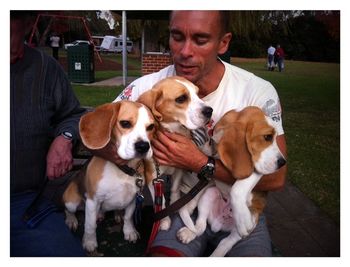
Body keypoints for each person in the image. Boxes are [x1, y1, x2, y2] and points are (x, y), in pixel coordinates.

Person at [99, 11, 287, 257]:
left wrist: (199, 163)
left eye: (200, 40)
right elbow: (95, 137)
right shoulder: (149, 88)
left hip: (242, 207)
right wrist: (136, 145)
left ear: (223, 42)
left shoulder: (257, 92)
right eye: (177, 36)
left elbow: (276, 178)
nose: (185, 51)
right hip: (181, 205)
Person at [10, 11, 86, 256]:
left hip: (23, 202)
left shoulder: (45, 68)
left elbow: (73, 115)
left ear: (27, 26)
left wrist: (64, 137)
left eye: (10, 36)